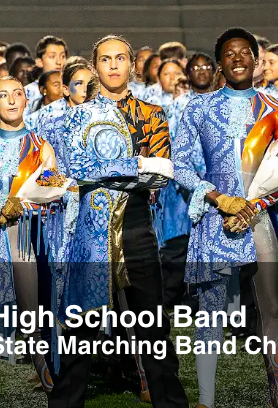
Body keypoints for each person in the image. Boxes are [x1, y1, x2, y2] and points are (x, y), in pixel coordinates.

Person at [171, 28, 278, 408]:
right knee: (210, 311)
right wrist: (219, 198)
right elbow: (180, 165)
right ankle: (206, 401)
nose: (237, 59)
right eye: (229, 53)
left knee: (270, 308)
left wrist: (252, 206)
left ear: (256, 60)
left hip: (258, 217)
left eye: (245, 53)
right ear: (219, 63)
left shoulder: (276, 108)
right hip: (215, 218)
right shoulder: (199, 107)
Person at [89, 35, 187, 407]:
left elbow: (160, 174)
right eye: (105, 59)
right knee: (80, 333)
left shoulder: (151, 113)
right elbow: (62, 176)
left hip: (135, 223)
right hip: (88, 228)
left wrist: (97, 170)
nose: (113, 65)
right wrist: (137, 162)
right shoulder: (75, 118)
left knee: (153, 326)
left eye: (120, 58)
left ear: (132, 66)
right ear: (95, 67)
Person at [0, 77, 66, 403]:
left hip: (27, 242)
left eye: (17, 93)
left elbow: (54, 194)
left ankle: (56, 396)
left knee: (34, 325)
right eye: (3, 95)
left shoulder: (42, 147)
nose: (11, 99)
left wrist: (23, 204)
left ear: (26, 100)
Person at [26, 36, 68, 108]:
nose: (59, 62)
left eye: (63, 56)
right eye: (52, 56)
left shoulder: (72, 88)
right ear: (39, 62)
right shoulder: (27, 92)